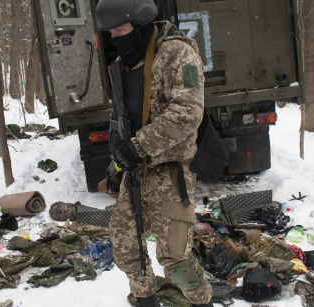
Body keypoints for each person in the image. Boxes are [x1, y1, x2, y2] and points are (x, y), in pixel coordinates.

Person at [95, 0, 213, 306]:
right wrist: (116, 165)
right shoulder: (127, 60)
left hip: (168, 170)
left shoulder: (178, 52)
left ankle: (203, 302)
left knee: (176, 261)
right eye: (111, 32)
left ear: (141, 22)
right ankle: (145, 300)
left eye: (121, 29)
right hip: (134, 174)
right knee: (126, 248)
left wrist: (137, 147)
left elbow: (187, 113)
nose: (115, 37)